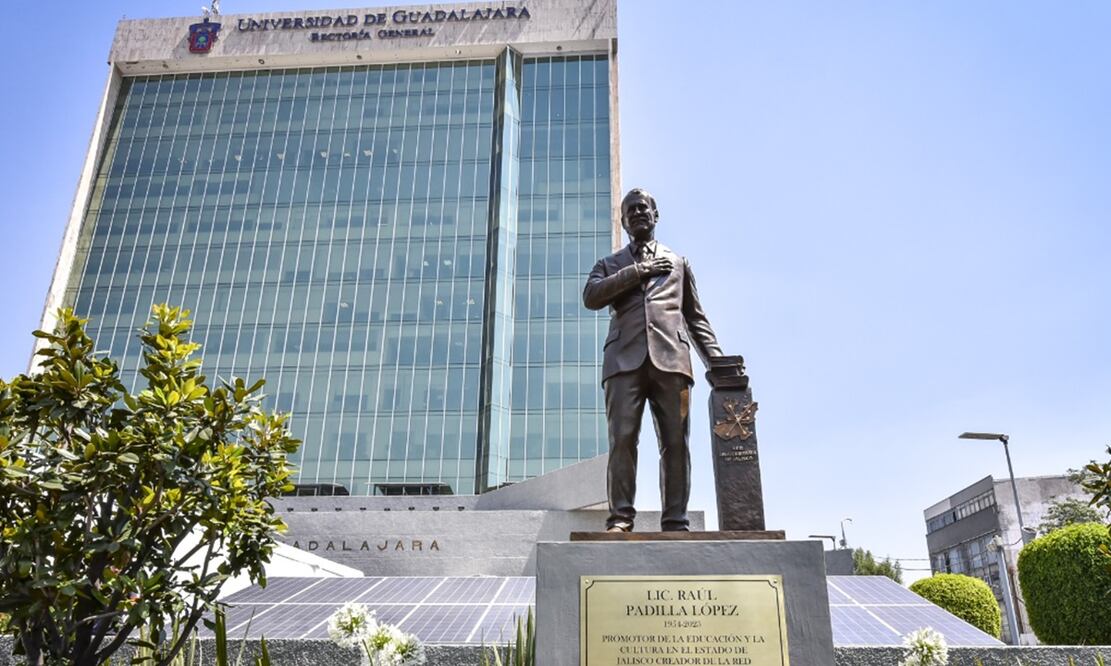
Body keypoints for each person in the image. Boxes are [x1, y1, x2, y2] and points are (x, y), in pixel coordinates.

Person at [583, 188, 722, 532]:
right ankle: (620, 519)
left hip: (672, 361)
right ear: (623, 222)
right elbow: (591, 297)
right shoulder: (609, 264)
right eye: (630, 210)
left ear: (656, 215)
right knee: (623, 441)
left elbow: (695, 317)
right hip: (622, 362)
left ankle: (675, 520)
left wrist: (715, 359)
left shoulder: (678, 263)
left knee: (675, 443)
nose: (638, 213)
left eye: (643, 208)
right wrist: (639, 271)